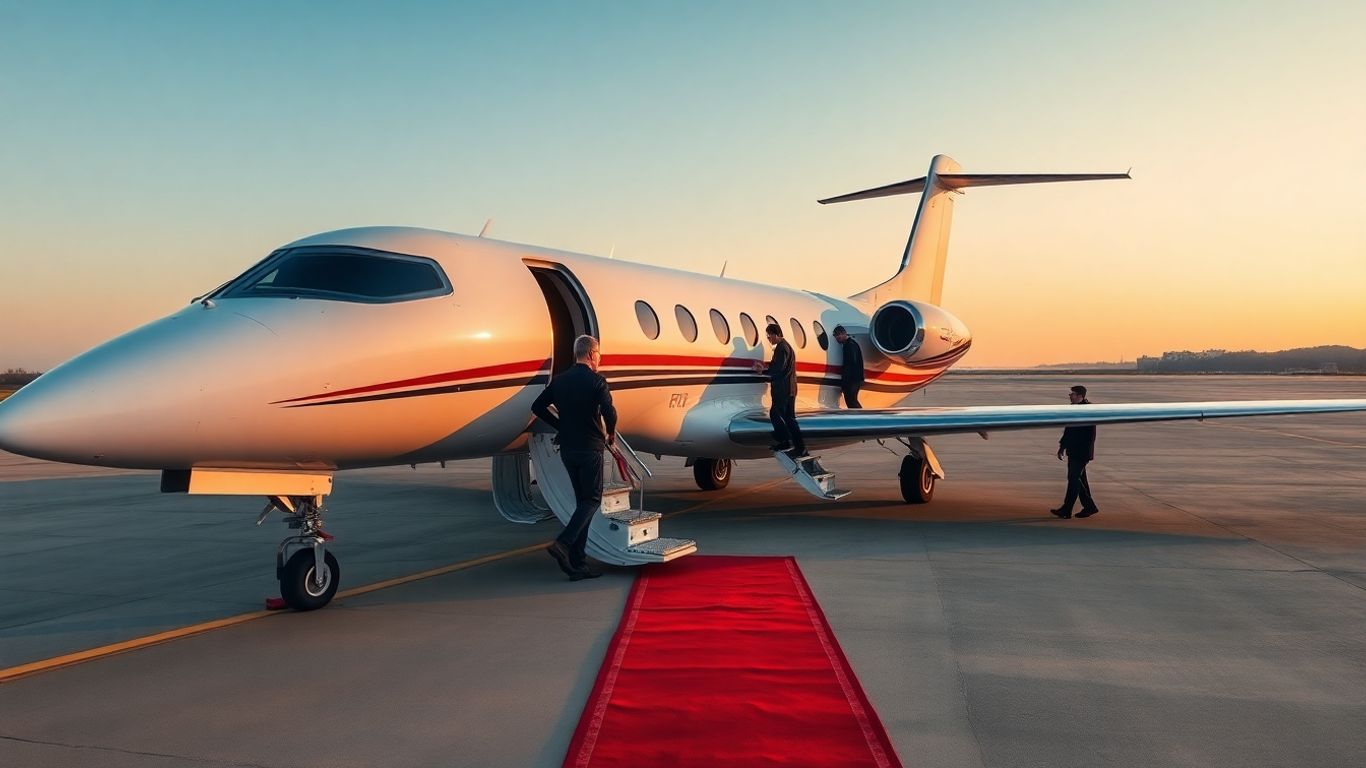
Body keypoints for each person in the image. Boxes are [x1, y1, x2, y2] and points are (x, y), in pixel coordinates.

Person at [531, 334, 617, 580]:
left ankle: (578, 564)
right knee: (591, 501)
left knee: (583, 504)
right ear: (592, 354)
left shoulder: (560, 381)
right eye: (598, 353)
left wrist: (560, 425)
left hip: (569, 449)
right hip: (590, 449)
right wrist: (611, 434)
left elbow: (537, 407)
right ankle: (564, 543)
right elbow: (610, 412)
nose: (599, 358)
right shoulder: (597, 381)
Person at [752, 323, 806, 458]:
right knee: (789, 418)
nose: (769, 338)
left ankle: (788, 442)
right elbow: (778, 365)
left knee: (777, 415)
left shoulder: (782, 348)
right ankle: (795, 445)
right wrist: (765, 366)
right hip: (789, 388)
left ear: (775, 334)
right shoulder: (784, 347)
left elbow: (779, 369)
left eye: (769, 335)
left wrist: (763, 372)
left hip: (783, 389)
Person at [1052, 385, 1099, 519]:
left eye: (1072, 394)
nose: (1070, 396)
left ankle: (1067, 510)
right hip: (1074, 451)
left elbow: (1086, 435)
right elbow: (1069, 431)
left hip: (1081, 452)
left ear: (1080, 396)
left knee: (1073, 479)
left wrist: (1069, 448)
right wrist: (1062, 447)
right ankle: (1089, 507)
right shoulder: (1075, 409)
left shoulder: (1088, 410)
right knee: (1079, 480)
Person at [832, 325, 864, 409]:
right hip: (854, 379)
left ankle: (861, 418)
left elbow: (850, 364)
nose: (837, 338)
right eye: (836, 336)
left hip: (852, 379)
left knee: (851, 400)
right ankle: (859, 417)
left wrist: (845, 382)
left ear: (844, 333)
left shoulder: (850, 345)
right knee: (851, 400)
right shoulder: (851, 344)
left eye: (838, 335)